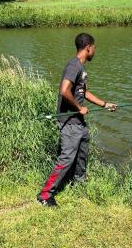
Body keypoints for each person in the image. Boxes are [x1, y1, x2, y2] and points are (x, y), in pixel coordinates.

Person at [36, 33, 117, 207]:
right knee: (67, 158)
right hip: (70, 122)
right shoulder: (74, 66)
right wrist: (79, 108)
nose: (95, 51)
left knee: (82, 154)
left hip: (79, 122)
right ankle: (44, 195)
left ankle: (78, 184)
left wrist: (105, 104)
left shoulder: (81, 68)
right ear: (88, 47)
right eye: (94, 47)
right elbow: (64, 90)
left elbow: (84, 92)